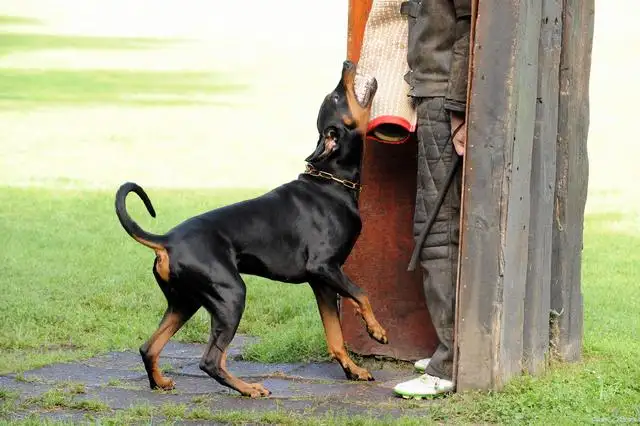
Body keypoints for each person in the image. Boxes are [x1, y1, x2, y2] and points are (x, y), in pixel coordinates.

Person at [392, 0, 471, 398]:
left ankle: (450, 363)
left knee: (438, 231)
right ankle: (451, 352)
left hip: (444, 101)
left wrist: (457, 107)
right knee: (439, 226)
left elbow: (469, 25)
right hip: (433, 95)